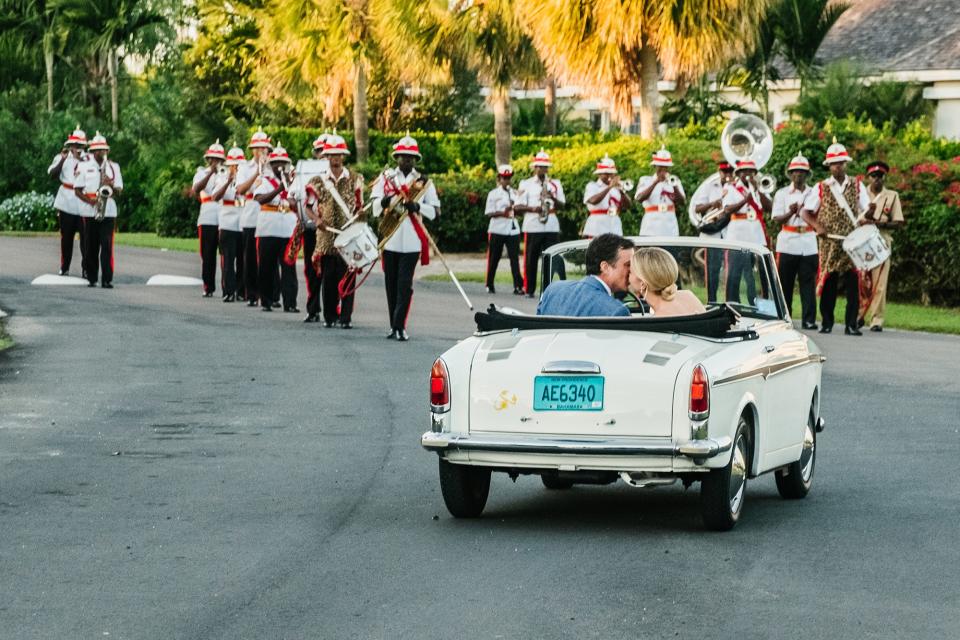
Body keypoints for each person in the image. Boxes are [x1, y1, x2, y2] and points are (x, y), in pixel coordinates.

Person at [371, 134, 441, 341]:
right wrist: (385, 201)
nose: (406, 160)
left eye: (410, 157)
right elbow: (374, 205)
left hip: (411, 241)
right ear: (397, 158)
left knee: (404, 285)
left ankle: (400, 325)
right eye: (403, 156)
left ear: (415, 159)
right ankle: (394, 325)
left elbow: (436, 212)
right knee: (390, 284)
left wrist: (418, 206)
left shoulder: (423, 182)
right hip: (390, 237)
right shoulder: (386, 179)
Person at [800, 138, 872, 335]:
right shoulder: (821, 187)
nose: (837, 166)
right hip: (829, 241)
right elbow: (805, 212)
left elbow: (866, 210)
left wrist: (869, 216)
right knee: (829, 282)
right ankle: (827, 322)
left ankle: (851, 324)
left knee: (853, 283)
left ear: (845, 163)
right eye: (833, 163)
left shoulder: (857, 186)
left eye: (840, 162)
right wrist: (817, 226)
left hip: (852, 241)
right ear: (829, 166)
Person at [306, 133, 363, 329]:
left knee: (348, 275)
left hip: (349, 235)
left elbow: (360, 206)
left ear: (343, 156)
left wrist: (361, 216)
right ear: (326, 157)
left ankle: (345, 318)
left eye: (338, 154)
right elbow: (308, 206)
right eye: (331, 154)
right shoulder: (317, 181)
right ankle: (330, 316)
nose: (335, 158)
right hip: (327, 236)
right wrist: (316, 219)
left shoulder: (355, 178)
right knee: (328, 278)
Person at [537, 234, 634, 317]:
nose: (633, 270)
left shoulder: (553, 290)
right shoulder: (617, 312)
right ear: (605, 267)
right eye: (628, 265)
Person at [772, 154, 818, 329]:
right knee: (785, 283)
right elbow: (777, 219)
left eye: (802, 171)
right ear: (790, 174)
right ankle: (786, 318)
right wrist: (791, 213)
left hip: (808, 241)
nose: (798, 174)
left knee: (808, 283)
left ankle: (809, 319)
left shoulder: (814, 192)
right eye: (795, 171)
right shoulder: (782, 193)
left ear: (807, 174)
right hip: (788, 242)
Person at [858, 160, 904, 332]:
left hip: (881, 241)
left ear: (884, 178)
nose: (877, 179)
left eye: (880, 176)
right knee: (862, 281)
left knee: (879, 283)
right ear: (868, 177)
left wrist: (879, 224)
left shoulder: (892, 196)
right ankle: (859, 315)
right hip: (862, 241)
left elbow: (898, 222)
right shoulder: (861, 193)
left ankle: (877, 319)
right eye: (873, 176)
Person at [253, 143, 300, 313]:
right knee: (266, 266)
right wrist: (279, 189)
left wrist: (290, 196)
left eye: (282, 162)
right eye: (275, 163)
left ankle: (290, 302)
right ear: (270, 165)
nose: (279, 166)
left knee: (289, 266)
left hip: (287, 227)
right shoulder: (265, 181)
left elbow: (297, 201)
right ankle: (266, 300)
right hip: (268, 228)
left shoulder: (293, 182)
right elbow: (259, 199)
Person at [74, 132, 122, 288]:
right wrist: (91, 201)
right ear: (94, 151)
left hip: (108, 212)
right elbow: (77, 190)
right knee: (91, 246)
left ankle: (107, 278)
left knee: (107, 246)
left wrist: (111, 184)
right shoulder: (84, 167)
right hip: (90, 211)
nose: (104, 152)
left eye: (105, 149)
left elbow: (120, 191)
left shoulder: (114, 167)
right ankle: (92, 277)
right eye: (100, 149)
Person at [516, 149, 566, 297]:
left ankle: (548, 290)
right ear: (534, 167)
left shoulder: (555, 183)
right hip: (533, 224)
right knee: (530, 259)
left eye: (544, 167)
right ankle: (529, 289)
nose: (542, 169)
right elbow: (517, 206)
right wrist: (533, 208)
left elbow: (562, 205)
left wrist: (552, 197)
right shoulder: (526, 184)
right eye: (539, 166)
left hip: (551, 224)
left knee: (551, 259)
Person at [722, 158, 772, 305]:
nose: (748, 174)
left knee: (755, 274)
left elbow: (769, 208)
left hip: (756, 234)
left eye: (751, 171)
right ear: (739, 173)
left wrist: (757, 191)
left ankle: (758, 303)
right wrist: (745, 200)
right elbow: (727, 209)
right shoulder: (730, 188)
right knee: (735, 272)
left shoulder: (758, 188)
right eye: (744, 171)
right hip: (737, 234)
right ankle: (732, 304)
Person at [688, 161, 734, 302]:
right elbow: (697, 208)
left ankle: (730, 301)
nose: (727, 175)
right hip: (713, 233)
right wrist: (712, 204)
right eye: (724, 172)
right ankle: (712, 301)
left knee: (731, 271)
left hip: (730, 232)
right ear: (719, 172)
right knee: (712, 270)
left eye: (729, 172)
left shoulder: (736, 187)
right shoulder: (709, 186)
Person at [298, 133, 331, 322]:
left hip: (332, 230)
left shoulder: (342, 174)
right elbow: (296, 198)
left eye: (328, 152)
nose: (325, 155)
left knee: (332, 270)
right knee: (311, 269)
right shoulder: (307, 173)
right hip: (312, 228)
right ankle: (313, 309)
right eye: (321, 151)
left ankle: (331, 310)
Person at [237, 129, 272, 307]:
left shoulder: (273, 167)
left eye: (263, 148)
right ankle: (251, 293)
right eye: (257, 148)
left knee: (268, 259)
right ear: (252, 150)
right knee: (250, 258)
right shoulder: (245, 167)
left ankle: (270, 295)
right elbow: (240, 190)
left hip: (268, 217)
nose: (260, 152)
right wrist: (256, 173)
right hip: (251, 215)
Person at [49, 125, 87, 276]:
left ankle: (86, 268)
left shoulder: (88, 159)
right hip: (66, 200)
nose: (76, 148)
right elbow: (52, 174)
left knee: (86, 237)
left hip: (84, 200)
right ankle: (65, 267)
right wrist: (63, 160)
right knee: (67, 237)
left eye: (80, 145)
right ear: (69, 145)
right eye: (74, 145)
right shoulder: (61, 157)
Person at [191, 140, 227, 297]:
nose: (216, 162)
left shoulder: (226, 174)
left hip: (224, 216)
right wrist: (211, 172)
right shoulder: (201, 172)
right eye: (213, 159)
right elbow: (196, 189)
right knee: (207, 254)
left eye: (219, 159)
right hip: (207, 217)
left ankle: (228, 288)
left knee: (226, 254)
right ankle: (208, 286)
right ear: (208, 159)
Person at [483, 164, 524, 295]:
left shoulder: (514, 193)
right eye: (504, 178)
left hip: (512, 229)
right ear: (499, 178)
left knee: (514, 258)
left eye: (508, 178)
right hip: (497, 228)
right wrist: (503, 212)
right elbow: (489, 212)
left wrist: (516, 209)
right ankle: (489, 284)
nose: (506, 181)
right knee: (494, 258)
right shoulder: (493, 194)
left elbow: (519, 209)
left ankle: (518, 286)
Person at [629, 247, 706, 317]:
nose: (626, 275)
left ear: (643, 284)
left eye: (630, 272)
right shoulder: (688, 296)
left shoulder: (658, 319)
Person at [635, 146, 685, 237]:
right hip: (651, 227)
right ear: (655, 166)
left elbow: (682, 202)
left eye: (666, 167)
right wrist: (656, 182)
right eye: (660, 166)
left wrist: (674, 186)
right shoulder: (645, 180)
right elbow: (639, 198)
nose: (663, 169)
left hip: (670, 226)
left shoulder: (674, 180)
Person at [218, 145, 244, 302]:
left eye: (238, 165)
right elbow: (215, 196)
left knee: (243, 260)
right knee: (228, 260)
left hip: (242, 222)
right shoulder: (222, 178)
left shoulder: (246, 178)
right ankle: (229, 290)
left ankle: (242, 291)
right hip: (227, 222)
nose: (235, 168)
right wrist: (228, 181)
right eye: (232, 165)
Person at [582, 155, 631, 238]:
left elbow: (628, 206)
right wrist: (609, 187)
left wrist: (622, 191)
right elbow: (593, 201)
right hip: (596, 227)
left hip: (615, 226)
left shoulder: (616, 188)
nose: (610, 176)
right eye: (606, 173)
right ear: (599, 174)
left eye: (612, 173)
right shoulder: (592, 186)